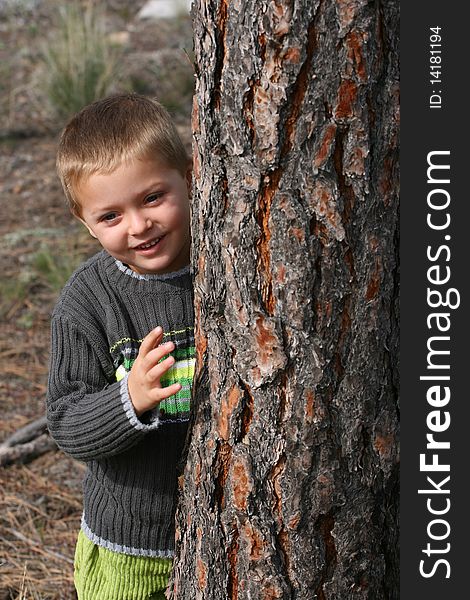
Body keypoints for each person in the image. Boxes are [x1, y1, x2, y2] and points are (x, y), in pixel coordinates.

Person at [46, 93, 195, 600]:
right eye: (111, 216)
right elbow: (66, 422)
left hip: (231, 527)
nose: (138, 225)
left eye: (153, 197)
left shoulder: (230, 264)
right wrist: (126, 399)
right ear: (84, 221)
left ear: (192, 175)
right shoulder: (88, 301)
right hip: (130, 544)